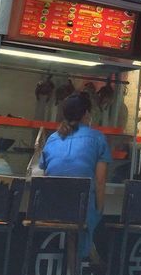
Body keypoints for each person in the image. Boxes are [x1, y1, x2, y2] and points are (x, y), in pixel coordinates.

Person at [41, 91, 111, 263]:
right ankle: (90, 254)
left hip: (48, 210)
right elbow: (100, 182)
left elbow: (45, 172)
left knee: (75, 226)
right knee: (90, 219)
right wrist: (100, 210)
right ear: (87, 114)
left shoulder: (52, 138)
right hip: (80, 211)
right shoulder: (97, 138)